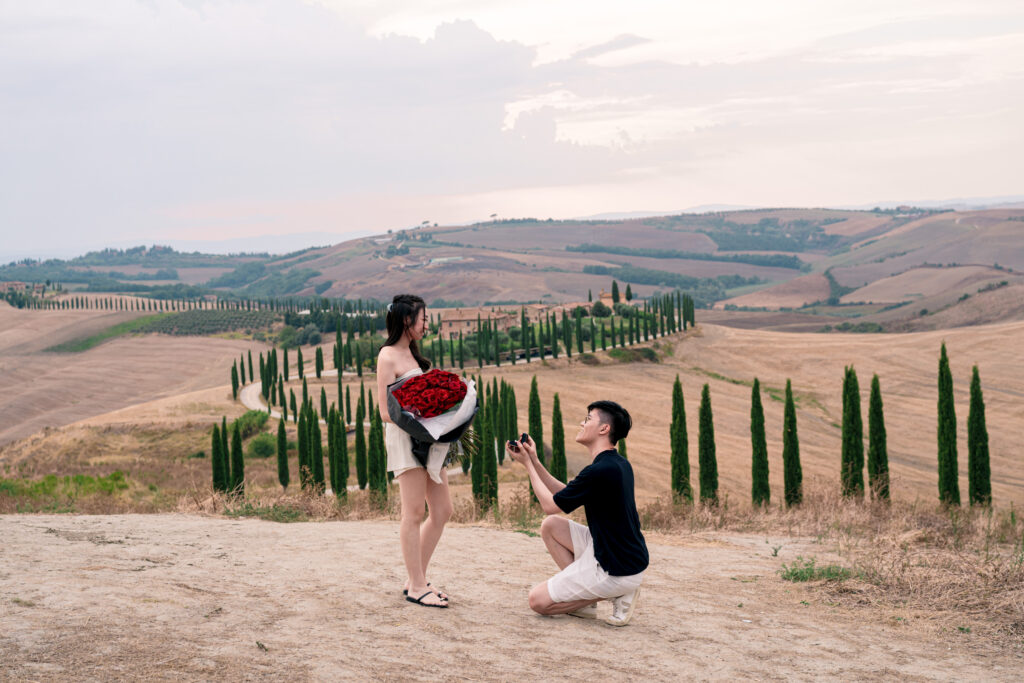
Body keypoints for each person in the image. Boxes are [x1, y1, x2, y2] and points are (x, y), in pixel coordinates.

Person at [506, 400, 648, 626]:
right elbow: (565, 494)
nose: (581, 423)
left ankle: (615, 592)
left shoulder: (600, 470)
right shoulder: (615, 463)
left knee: (538, 602)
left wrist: (527, 466)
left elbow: (550, 505)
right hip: (619, 554)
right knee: (551, 526)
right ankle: (589, 603)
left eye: (588, 419)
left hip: (616, 568)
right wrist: (533, 459)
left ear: (604, 429)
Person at [376, 294, 453, 609]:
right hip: (406, 439)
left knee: (443, 510)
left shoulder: (415, 357)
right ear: (407, 320)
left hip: (429, 440)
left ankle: (415, 578)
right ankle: (417, 585)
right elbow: (384, 411)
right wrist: (421, 415)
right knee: (414, 513)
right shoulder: (388, 356)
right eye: (423, 318)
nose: (427, 324)